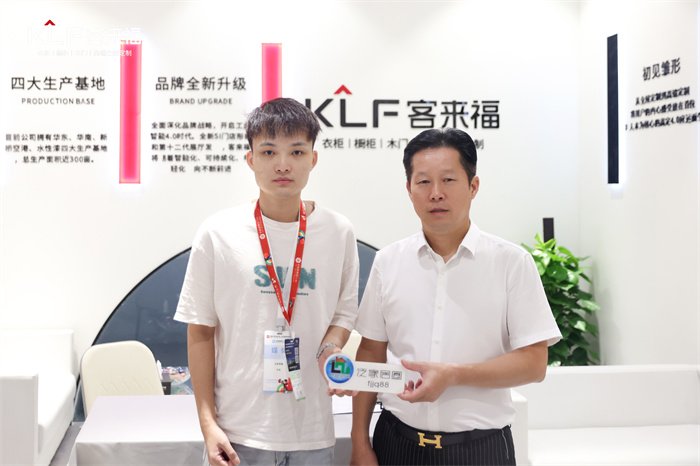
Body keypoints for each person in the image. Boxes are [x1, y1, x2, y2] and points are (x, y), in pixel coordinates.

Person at [350, 128, 561, 466]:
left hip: (480, 449)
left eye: (448, 180)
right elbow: (371, 351)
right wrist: (359, 441)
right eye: (423, 182)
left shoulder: (511, 262)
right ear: (409, 189)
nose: (436, 193)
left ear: (473, 186)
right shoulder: (388, 261)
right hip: (397, 442)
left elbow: (534, 364)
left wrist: (453, 375)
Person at [174, 98, 359, 466]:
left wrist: (330, 347)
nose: (283, 164)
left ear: (313, 159)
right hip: (237, 432)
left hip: (312, 432)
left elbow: (344, 313)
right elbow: (201, 331)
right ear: (251, 159)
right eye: (269, 151)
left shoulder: (338, 232)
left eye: (297, 151)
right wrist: (208, 424)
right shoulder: (218, 233)